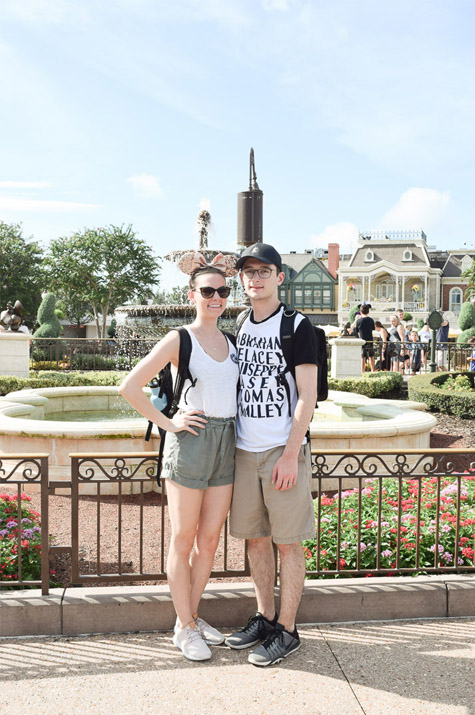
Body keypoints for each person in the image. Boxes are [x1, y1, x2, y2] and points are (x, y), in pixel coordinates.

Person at [119, 257, 239, 662]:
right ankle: (185, 628)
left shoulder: (232, 342)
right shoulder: (179, 338)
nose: (216, 297)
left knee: (208, 541)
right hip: (191, 440)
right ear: (192, 296)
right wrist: (168, 422)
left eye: (223, 291)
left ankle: (189, 617)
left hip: (227, 440)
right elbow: (130, 386)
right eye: (208, 291)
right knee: (183, 537)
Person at [225, 243, 318, 667]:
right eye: (248, 272)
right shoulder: (242, 322)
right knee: (257, 541)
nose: (255, 278)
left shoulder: (297, 326)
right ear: (241, 279)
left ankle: (288, 629)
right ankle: (264, 619)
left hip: (283, 451)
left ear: (280, 277)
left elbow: (308, 396)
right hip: (245, 452)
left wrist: (290, 452)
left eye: (264, 271)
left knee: (288, 544)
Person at [354, 304, 376, 372]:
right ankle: (373, 370)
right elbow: (373, 329)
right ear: (368, 312)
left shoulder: (359, 321)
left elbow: (357, 330)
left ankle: (362, 370)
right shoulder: (371, 320)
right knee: (371, 356)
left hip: (362, 340)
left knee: (362, 356)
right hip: (370, 339)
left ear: (360, 312)